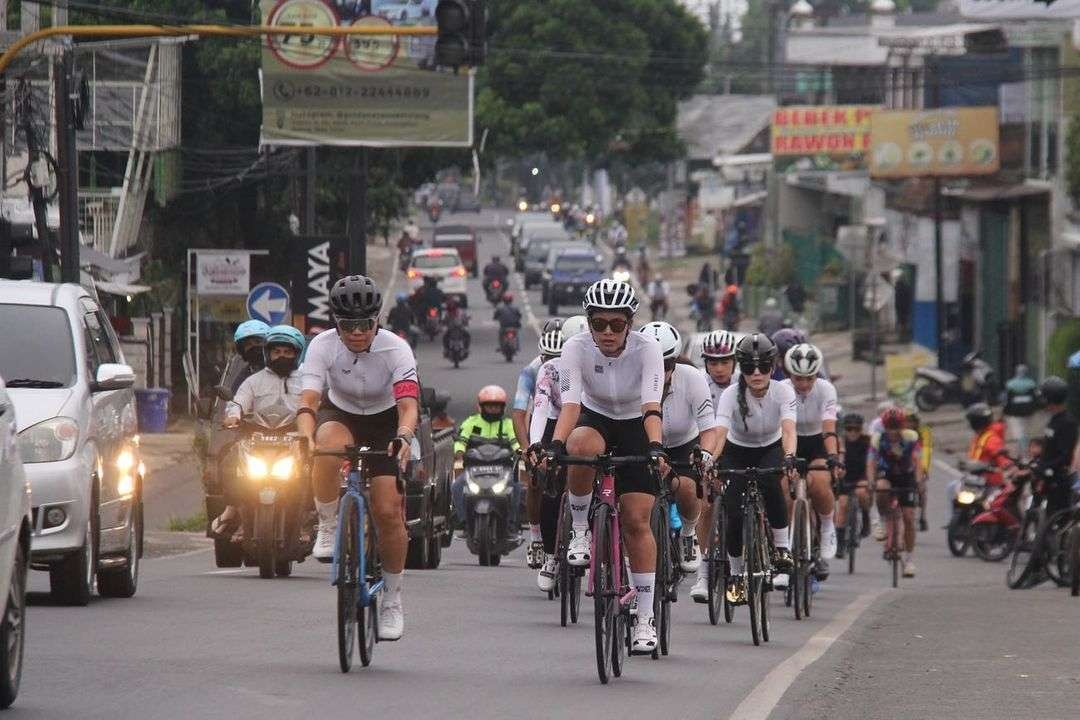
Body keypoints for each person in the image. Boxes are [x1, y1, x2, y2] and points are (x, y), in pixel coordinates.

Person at [545, 279, 666, 654]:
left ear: (630, 323)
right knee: (579, 447)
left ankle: (644, 618)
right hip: (595, 417)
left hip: (637, 423)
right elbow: (570, 406)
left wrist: (657, 447)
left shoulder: (649, 349)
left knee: (635, 520)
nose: (608, 332)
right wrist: (554, 446)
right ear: (589, 322)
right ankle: (581, 528)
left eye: (616, 324)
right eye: (599, 324)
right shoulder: (575, 348)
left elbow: (651, 406)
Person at [297, 274, 419, 641]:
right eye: (347, 325)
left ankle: (393, 600)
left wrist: (404, 436)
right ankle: (329, 523)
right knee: (324, 445)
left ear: (376, 320)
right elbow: (308, 401)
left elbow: (409, 405)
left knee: (387, 509)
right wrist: (304, 436)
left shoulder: (396, 349)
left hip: (386, 421)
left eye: (364, 324)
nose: (356, 333)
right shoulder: (321, 345)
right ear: (336, 322)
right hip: (342, 412)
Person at [713, 333, 797, 606]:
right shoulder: (729, 395)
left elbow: (788, 429)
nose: (757, 373)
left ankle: (782, 547)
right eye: (749, 367)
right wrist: (710, 459)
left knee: (773, 483)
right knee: (733, 510)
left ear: (773, 367)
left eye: (763, 367)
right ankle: (736, 575)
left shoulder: (783, 391)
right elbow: (720, 432)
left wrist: (789, 456)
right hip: (736, 451)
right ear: (741, 368)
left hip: (770, 447)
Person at [210, 325, 306, 541]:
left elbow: (316, 402)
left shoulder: (307, 380)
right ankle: (241, 517)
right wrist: (233, 416)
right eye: (276, 352)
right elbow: (237, 402)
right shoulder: (252, 381)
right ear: (268, 353)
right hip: (256, 440)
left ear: (297, 354)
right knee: (231, 465)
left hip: (296, 440)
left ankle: (306, 524)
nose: (281, 356)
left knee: (314, 471)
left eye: (287, 352)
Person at [639, 321, 720, 575]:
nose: (659, 372)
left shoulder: (693, 379)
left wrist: (705, 455)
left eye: (665, 365)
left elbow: (709, 429)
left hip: (682, 444)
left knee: (686, 487)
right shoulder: (629, 379)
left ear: (674, 362)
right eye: (650, 365)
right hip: (643, 444)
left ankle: (688, 533)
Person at [528, 316, 589, 591]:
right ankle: (551, 558)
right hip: (556, 424)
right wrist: (535, 445)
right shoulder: (550, 370)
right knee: (550, 491)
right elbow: (540, 408)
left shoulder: (602, 366)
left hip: (591, 422)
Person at [780, 343, 840, 582]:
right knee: (784, 487)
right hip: (789, 440)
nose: (804, 384)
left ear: (817, 374)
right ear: (788, 374)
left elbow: (828, 428)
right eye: (798, 378)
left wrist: (833, 457)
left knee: (820, 482)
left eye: (809, 378)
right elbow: (784, 427)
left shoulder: (826, 389)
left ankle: (827, 527)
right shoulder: (782, 389)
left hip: (817, 441)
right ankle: (783, 544)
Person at [689, 329, 738, 602]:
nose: (719, 368)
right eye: (713, 362)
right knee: (705, 506)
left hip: (737, 447)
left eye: (725, 362)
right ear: (705, 362)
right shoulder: (699, 383)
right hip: (706, 445)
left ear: (734, 361)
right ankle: (704, 574)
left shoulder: (744, 383)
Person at [451, 386, 520, 530]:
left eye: (496, 406)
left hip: (502, 470)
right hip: (474, 469)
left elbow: (516, 443)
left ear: (502, 407)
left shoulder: (508, 425)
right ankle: (463, 520)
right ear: (481, 407)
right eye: (489, 406)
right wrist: (459, 452)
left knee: (516, 488)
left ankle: (512, 523)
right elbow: (460, 441)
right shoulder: (471, 422)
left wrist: (520, 452)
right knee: (456, 486)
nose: (493, 409)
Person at [868, 408, 925, 577]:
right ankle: (884, 521)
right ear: (884, 426)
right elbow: (870, 462)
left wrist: (919, 481)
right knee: (881, 488)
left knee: (908, 517)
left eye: (896, 426)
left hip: (906, 475)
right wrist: (871, 480)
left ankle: (909, 559)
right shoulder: (878, 439)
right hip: (887, 474)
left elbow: (918, 460)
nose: (893, 431)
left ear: (903, 426)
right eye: (889, 427)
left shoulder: (911, 438)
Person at [1034, 376, 1078, 517]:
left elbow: (1064, 455)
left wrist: (1048, 467)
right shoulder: (1054, 419)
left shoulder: (1067, 422)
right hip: (1046, 474)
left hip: (1058, 479)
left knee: (1056, 516)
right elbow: (1049, 447)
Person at [835, 413, 871, 559]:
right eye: (849, 429)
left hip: (861, 476)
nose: (853, 433)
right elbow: (839, 460)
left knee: (862, 493)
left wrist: (868, 479)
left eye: (856, 429)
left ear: (861, 429)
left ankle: (866, 519)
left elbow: (871, 463)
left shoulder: (867, 442)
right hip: (846, 477)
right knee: (842, 505)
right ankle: (840, 544)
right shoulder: (840, 442)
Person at [964, 403, 1012, 488]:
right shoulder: (980, 435)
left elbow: (1001, 456)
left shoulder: (991, 439)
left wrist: (1005, 464)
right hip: (977, 479)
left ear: (975, 422)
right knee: (953, 488)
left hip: (990, 482)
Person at [905, 407, 933, 531]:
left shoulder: (924, 431)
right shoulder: (901, 432)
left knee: (922, 489)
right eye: (907, 421)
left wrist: (924, 469)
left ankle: (922, 516)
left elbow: (926, 449)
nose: (909, 424)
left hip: (919, 460)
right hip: (904, 462)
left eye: (912, 421)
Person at [1003, 364, 1039, 453]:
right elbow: (1036, 397)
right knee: (1026, 431)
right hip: (1028, 411)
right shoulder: (1031, 383)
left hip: (1014, 412)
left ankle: (1022, 449)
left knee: (1018, 431)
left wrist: (1005, 410)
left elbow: (1006, 399)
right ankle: (1024, 448)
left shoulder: (1010, 384)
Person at [228, 320, 271, 393]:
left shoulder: (280, 370)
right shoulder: (243, 376)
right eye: (248, 344)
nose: (254, 347)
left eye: (258, 342)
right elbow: (235, 399)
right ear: (242, 350)